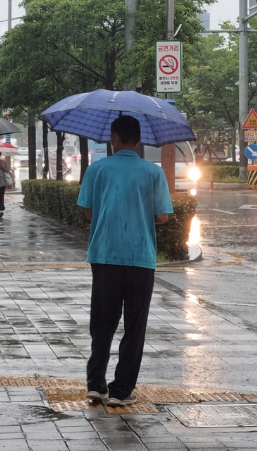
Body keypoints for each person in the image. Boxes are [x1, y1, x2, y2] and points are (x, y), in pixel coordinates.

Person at [77, 115, 173, 407]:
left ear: (115, 138)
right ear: (139, 139)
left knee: (102, 322)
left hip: (105, 255)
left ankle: (95, 384)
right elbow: (163, 216)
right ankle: (121, 391)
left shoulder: (97, 170)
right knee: (134, 325)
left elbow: (88, 213)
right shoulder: (152, 173)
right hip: (140, 257)